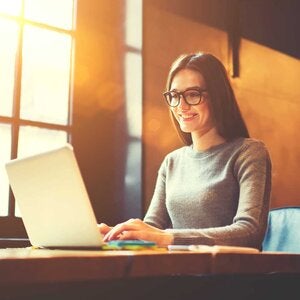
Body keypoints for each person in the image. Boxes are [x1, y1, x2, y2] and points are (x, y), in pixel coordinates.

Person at [99, 52, 272, 249]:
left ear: (217, 96)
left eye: (192, 94)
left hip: (226, 276)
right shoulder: (172, 161)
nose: (181, 106)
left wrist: (168, 238)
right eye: (174, 96)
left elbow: (249, 231)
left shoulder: (249, 152)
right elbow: (153, 228)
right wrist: (115, 234)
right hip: (177, 272)